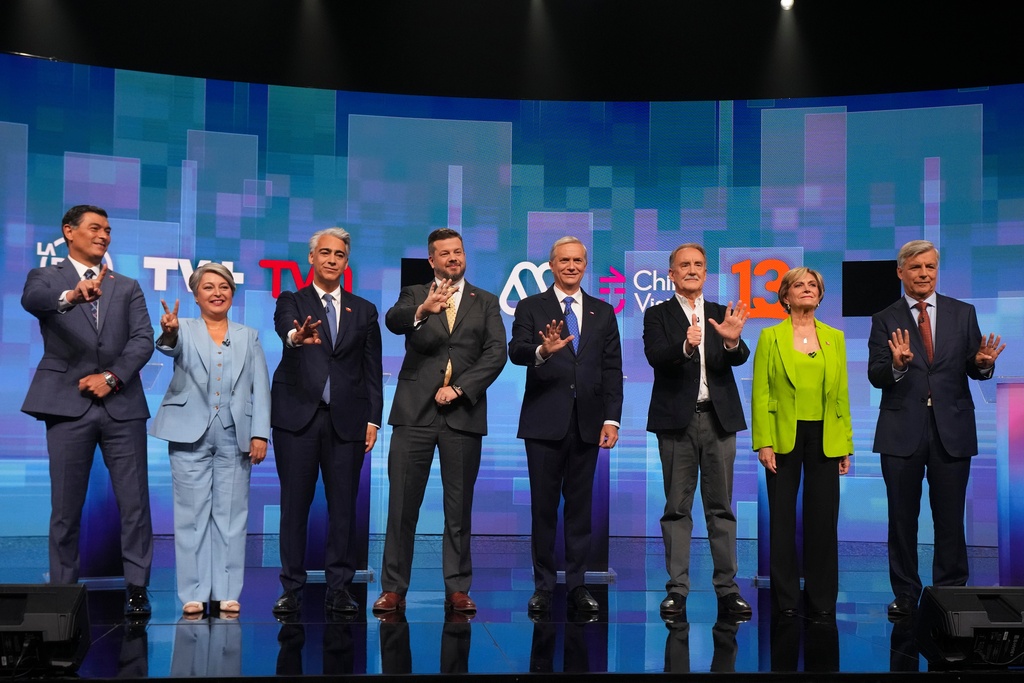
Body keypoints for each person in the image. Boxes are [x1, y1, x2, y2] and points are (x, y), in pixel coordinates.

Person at [21, 205, 155, 617]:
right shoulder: (47, 277)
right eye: (95, 228)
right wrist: (73, 295)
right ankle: (62, 592)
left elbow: (143, 339)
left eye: (108, 230)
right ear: (69, 231)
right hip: (66, 405)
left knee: (135, 504)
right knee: (65, 508)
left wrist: (112, 377)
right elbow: (33, 300)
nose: (103, 235)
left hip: (122, 405)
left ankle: (137, 588)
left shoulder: (126, 286)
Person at [372, 229, 507, 616]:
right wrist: (422, 311)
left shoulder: (486, 301)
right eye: (445, 253)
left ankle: (458, 588)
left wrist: (460, 389)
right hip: (414, 413)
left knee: (458, 508)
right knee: (402, 506)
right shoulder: (415, 293)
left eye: (458, 251)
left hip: (462, 415)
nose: (453, 258)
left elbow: (496, 353)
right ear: (432, 260)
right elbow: (394, 321)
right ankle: (393, 588)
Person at [868, 240, 1005, 619]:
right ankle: (906, 593)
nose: (924, 274)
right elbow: (876, 374)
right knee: (902, 518)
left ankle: (951, 592)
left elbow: (974, 365)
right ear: (901, 272)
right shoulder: (884, 318)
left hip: (952, 428)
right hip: (901, 430)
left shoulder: (963, 313)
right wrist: (897, 365)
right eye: (916, 267)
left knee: (950, 517)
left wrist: (983, 364)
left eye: (930, 266)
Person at [270, 227, 384, 618]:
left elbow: (371, 370)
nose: (332, 259)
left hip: (347, 421)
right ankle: (291, 588)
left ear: (346, 262)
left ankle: (339, 588)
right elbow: (286, 328)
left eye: (339, 254)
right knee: (294, 507)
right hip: (297, 419)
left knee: (343, 509)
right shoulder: (292, 300)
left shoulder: (364, 310)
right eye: (325, 252)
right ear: (312, 258)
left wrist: (373, 419)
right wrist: (295, 336)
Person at [509, 236, 623, 615]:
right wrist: (543, 350)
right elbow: (516, 351)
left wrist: (611, 419)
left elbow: (612, 369)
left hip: (588, 423)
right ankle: (543, 586)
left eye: (577, 260)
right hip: (544, 422)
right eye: (564, 260)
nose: (571, 266)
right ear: (552, 265)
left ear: (585, 265)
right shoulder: (530, 306)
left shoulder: (603, 312)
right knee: (543, 509)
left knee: (579, 509)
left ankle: (577, 584)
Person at [149, 263, 271, 616]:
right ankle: (193, 593)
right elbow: (168, 347)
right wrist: (169, 332)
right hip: (188, 433)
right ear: (196, 294)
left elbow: (260, 387)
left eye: (224, 287)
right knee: (190, 515)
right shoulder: (181, 328)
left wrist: (260, 433)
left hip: (235, 435)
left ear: (232, 292)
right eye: (209, 287)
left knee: (231, 516)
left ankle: (228, 592)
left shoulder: (249, 335)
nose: (217, 293)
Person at [643, 243, 753, 620]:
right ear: (671, 274)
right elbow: (656, 357)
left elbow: (738, 357)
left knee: (721, 507)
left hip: (719, 419)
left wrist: (732, 340)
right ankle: (677, 589)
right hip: (677, 421)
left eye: (698, 265)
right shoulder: (657, 314)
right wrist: (686, 346)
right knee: (677, 508)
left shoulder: (721, 313)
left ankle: (728, 589)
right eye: (684, 265)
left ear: (706, 273)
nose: (692, 270)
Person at [752, 267, 853, 617]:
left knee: (823, 519)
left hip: (826, 436)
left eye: (813, 285)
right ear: (785, 295)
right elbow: (761, 392)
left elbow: (841, 394)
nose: (807, 289)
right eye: (799, 285)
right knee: (782, 520)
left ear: (820, 295)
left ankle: (822, 599)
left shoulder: (835, 337)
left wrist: (846, 444)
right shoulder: (770, 336)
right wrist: (764, 441)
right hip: (783, 436)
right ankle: (786, 600)